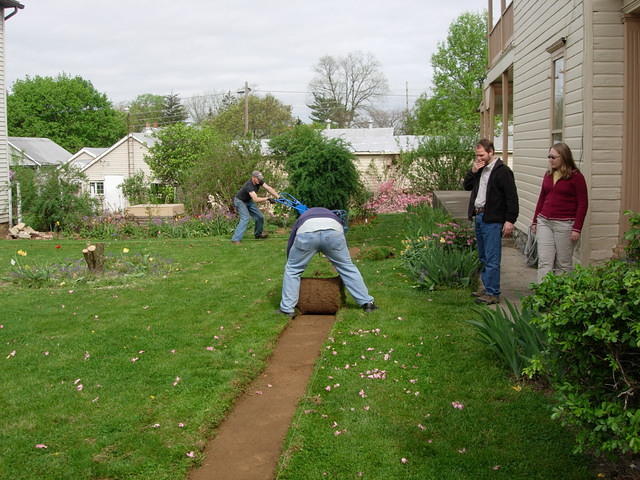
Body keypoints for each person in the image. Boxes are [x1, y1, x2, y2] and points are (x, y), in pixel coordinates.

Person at [279, 207, 377, 317]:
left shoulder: (303, 217)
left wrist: (291, 261)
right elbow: (342, 237)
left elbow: (292, 240)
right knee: (347, 267)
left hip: (307, 234)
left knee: (292, 270)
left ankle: (287, 309)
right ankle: (367, 303)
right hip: (334, 234)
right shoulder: (333, 217)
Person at [463, 139, 519, 305]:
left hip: (493, 219)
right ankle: (487, 287)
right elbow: (466, 186)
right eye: (477, 155)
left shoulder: (503, 172)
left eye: (481, 155)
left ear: (491, 152)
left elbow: (512, 198)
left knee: (493, 257)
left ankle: (493, 292)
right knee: (483, 256)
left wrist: (510, 220)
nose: (479, 158)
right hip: (479, 216)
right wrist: (472, 171)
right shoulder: (479, 170)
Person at [531, 143, 588, 282]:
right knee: (545, 261)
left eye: (553, 157)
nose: (550, 160)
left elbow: (583, 204)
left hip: (565, 225)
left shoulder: (576, 177)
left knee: (563, 263)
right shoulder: (548, 174)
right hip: (544, 222)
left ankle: (561, 297)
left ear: (564, 157)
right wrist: (534, 221)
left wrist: (577, 228)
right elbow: (542, 198)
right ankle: (543, 296)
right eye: (549, 156)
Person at [231, 171, 279, 244]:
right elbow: (256, 199)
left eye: (260, 179)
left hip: (248, 201)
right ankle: (235, 239)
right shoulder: (249, 186)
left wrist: (278, 197)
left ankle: (258, 235)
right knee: (245, 218)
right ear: (253, 178)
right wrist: (267, 199)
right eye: (258, 179)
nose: (259, 180)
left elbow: (268, 188)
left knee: (260, 217)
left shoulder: (259, 181)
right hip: (240, 201)